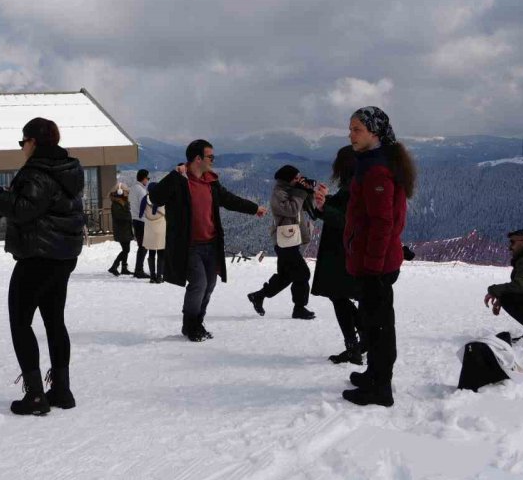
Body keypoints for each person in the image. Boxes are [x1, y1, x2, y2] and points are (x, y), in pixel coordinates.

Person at [0, 117, 85, 416]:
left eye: (23, 142)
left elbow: (21, 209)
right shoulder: (69, 169)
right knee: (54, 321)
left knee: (20, 322)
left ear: (33, 141)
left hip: (37, 256)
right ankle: (61, 389)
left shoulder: (36, 172)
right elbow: (32, 204)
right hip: (63, 256)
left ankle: (35, 395)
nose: (22, 148)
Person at [148, 139, 267, 342]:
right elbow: (156, 197)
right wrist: (174, 174)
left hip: (211, 244)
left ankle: (197, 322)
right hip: (189, 245)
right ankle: (190, 324)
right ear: (197, 159)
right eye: (210, 157)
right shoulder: (179, 181)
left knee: (210, 284)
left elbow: (229, 200)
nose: (213, 160)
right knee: (199, 283)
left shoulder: (210, 182)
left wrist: (254, 208)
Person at [340, 107, 415, 408]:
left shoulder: (377, 170)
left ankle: (381, 388)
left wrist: (371, 265)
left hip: (377, 266)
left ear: (374, 133)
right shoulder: (372, 163)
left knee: (381, 327)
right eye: (350, 129)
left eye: (356, 129)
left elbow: (384, 222)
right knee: (374, 322)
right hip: (376, 263)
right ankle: (374, 374)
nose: (351, 135)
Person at [311, 146, 364, 364]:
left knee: (339, 296)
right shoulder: (355, 183)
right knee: (341, 297)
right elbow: (344, 211)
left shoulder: (354, 185)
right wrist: (325, 202)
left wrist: (324, 208)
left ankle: (358, 344)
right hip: (344, 251)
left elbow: (349, 221)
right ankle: (359, 343)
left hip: (342, 252)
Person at [247, 165, 317, 320]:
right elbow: (291, 210)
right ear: (288, 179)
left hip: (291, 238)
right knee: (303, 273)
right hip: (284, 240)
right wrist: (300, 192)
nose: (299, 179)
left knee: (286, 275)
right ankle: (299, 308)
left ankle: (259, 295)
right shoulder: (278, 193)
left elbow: (307, 207)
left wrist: (308, 190)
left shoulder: (292, 190)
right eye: (296, 178)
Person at [143, 182, 167, 283]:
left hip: (149, 228)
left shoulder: (145, 199)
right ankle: (160, 275)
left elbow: (141, 213)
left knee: (151, 252)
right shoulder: (162, 199)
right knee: (161, 252)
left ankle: (152, 276)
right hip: (161, 227)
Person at [108, 184, 133, 276]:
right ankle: (114, 266)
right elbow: (119, 216)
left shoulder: (123, 202)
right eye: (126, 192)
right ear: (120, 192)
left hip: (125, 229)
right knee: (126, 249)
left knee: (126, 249)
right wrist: (129, 216)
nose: (127, 194)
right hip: (121, 230)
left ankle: (124, 268)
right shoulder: (116, 204)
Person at [130, 169, 151, 279]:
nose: (148, 180)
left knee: (141, 246)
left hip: (135, 219)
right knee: (143, 246)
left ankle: (138, 269)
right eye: (148, 178)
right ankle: (139, 270)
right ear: (143, 178)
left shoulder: (133, 189)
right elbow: (146, 206)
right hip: (142, 221)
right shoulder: (142, 191)